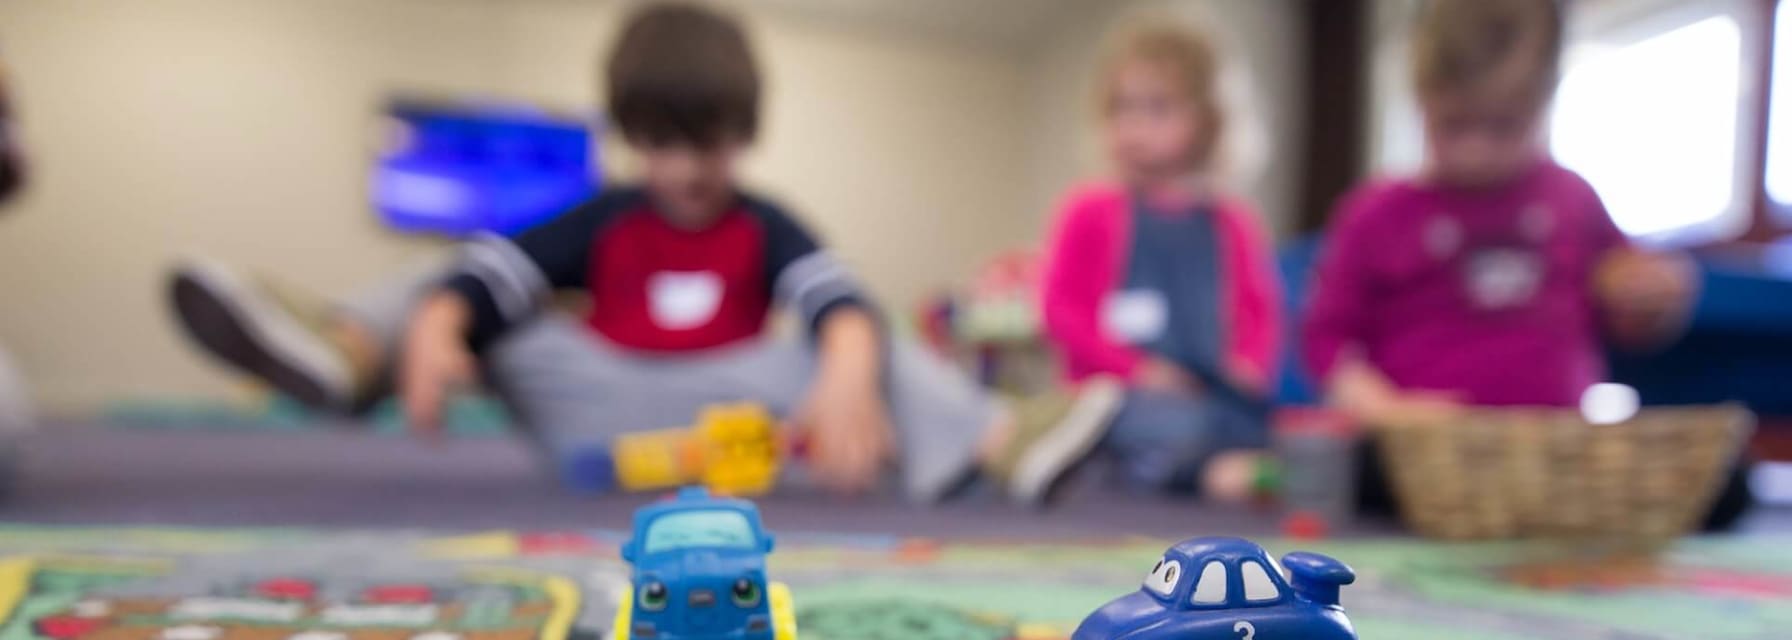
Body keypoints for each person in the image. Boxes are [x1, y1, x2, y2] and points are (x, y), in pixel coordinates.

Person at [166, 2, 1111, 505]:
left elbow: (834, 299)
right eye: (661, 142)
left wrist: (850, 370)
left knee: (863, 335)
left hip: (733, 414)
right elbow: (492, 275)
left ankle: (1005, 444)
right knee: (455, 277)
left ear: (745, 134)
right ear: (628, 135)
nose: (687, 168)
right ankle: (347, 352)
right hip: (594, 404)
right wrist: (444, 324)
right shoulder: (605, 213)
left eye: (709, 143)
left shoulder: (765, 221)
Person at [1304, 0, 1750, 527]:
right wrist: (1386, 411)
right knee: (1338, 475)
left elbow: (1631, 319)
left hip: (1555, 453)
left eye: (1503, 128)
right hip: (1427, 458)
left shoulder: (1572, 199)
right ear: (1421, 104)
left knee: (1725, 480)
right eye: (1453, 126)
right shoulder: (1375, 213)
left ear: (1544, 105)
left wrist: (1658, 296)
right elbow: (1327, 343)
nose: (1475, 150)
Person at [1037, 22, 1282, 498]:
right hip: (1114, 395)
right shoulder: (1090, 211)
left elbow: (1258, 313)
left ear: (1206, 120)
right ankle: (1189, 472)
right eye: (1121, 108)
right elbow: (1062, 313)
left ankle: (1183, 468)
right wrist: (1140, 373)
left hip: (1202, 392)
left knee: (1257, 423)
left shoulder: (1230, 222)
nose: (1133, 126)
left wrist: (1247, 365)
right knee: (1131, 421)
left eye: (1157, 109)